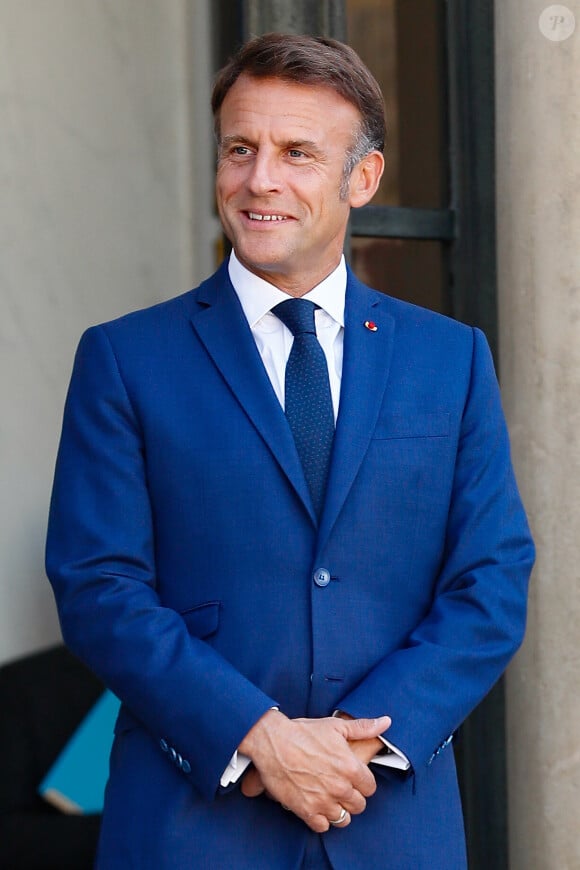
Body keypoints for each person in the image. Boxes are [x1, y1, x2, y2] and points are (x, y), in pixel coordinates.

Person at [46, 33, 534, 870]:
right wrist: (259, 738)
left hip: (390, 822)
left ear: (363, 179)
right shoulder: (126, 358)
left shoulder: (450, 359)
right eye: (241, 148)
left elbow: (489, 578)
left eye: (297, 153)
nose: (258, 179)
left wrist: (355, 750)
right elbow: (99, 586)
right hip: (190, 829)